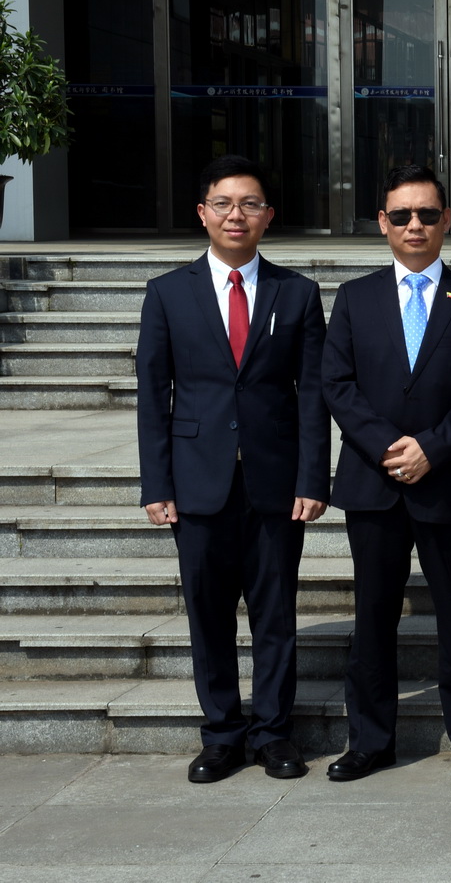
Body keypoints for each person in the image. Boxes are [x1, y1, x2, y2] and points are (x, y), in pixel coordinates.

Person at [136, 155, 329, 783]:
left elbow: (312, 395)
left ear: (268, 216)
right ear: (203, 213)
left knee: (276, 616)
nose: (236, 215)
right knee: (209, 616)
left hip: (275, 483)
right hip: (197, 483)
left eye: (249, 204)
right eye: (223, 203)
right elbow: (153, 395)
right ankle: (221, 734)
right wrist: (157, 484)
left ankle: (273, 733)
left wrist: (312, 479)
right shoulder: (167, 292)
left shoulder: (297, 293)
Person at [321, 164, 451, 783]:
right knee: (373, 617)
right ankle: (369, 742)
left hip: (445, 481)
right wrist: (386, 448)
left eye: (427, 214)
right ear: (383, 222)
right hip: (372, 484)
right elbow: (337, 385)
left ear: (446, 220)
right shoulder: (355, 298)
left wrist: (430, 448)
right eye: (401, 215)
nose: (415, 225)